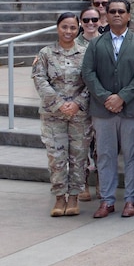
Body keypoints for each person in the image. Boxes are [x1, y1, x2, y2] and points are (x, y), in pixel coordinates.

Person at [81, 0, 134, 219]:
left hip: (129, 109)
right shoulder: (96, 44)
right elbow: (88, 74)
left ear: (129, 15)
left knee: (131, 155)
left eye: (121, 11)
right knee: (105, 155)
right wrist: (105, 98)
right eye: (112, 11)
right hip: (103, 110)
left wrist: (122, 97)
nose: (117, 14)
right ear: (107, 15)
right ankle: (107, 200)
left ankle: (131, 199)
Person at [32, 12, 90, 217]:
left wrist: (77, 103)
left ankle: (74, 197)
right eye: (64, 27)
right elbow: (40, 79)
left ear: (78, 30)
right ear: (57, 28)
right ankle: (59, 197)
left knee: (78, 156)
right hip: (52, 115)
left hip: (79, 115)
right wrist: (58, 104)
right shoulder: (46, 53)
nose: (68, 31)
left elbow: (92, 82)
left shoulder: (86, 53)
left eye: (73, 28)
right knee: (56, 157)